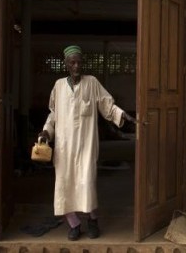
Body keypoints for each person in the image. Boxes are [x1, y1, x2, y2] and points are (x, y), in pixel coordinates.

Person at [38, 45, 135, 241]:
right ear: (66, 64)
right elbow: (53, 115)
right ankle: (74, 225)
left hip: (86, 146)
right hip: (64, 148)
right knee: (64, 186)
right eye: (72, 63)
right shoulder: (58, 86)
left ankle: (93, 221)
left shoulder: (92, 83)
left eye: (79, 62)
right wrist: (47, 132)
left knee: (86, 183)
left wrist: (123, 114)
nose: (76, 66)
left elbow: (107, 104)